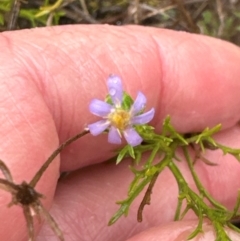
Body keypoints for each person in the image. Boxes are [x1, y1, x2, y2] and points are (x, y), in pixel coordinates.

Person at [0, 24, 240, 241]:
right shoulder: (123, 129)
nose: (119, 117)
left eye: (121, 117)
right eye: (117, 117)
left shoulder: (132, 126)